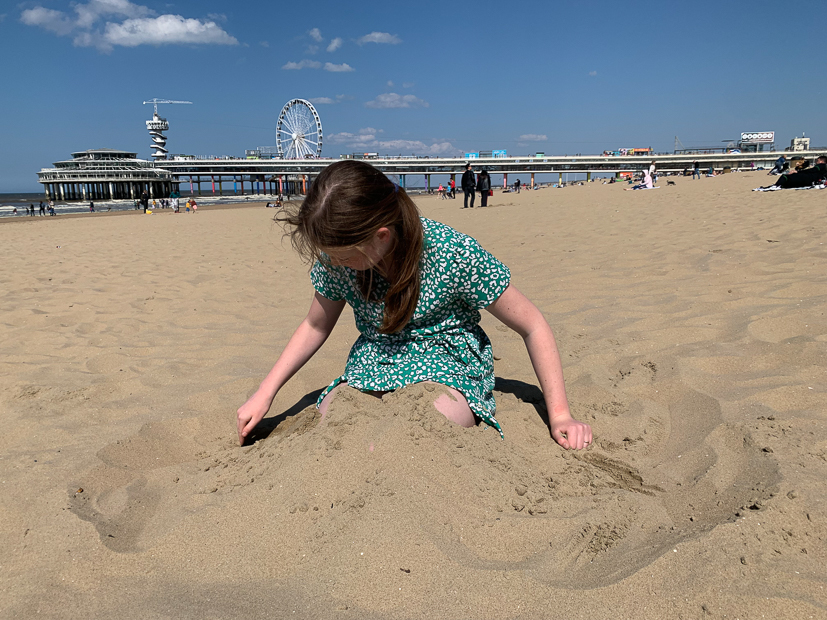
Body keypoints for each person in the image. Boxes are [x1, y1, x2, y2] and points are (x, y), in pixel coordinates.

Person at [236, 160, 591, 451]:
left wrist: (560, 414)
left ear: (381, 237)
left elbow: (533, 324)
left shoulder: (452, 252)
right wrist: (264, 394)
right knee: (336, 417)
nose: (336, 264)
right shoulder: (338, 260)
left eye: (344, 256)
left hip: (448, 356)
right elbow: (315, 325)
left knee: (424, 428)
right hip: (377, 356)